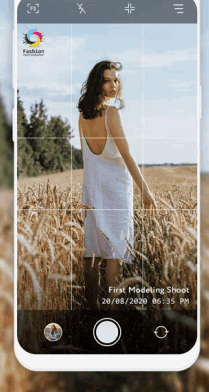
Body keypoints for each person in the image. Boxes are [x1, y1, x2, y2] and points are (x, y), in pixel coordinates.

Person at [77, 60, 157, 310]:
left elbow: (87, 158)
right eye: (107, 80)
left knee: (92, 251)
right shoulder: (111, 113)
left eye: (116, 79)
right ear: (97, 84)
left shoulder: (82, 116)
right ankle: (114, 312)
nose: (114, 85)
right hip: (115, 193)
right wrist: (146, 190)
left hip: (92, 190)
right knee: (115, 251)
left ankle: (91, 309)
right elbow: (127, 154)